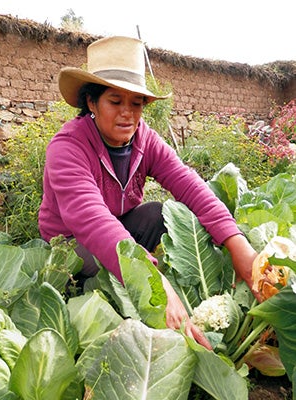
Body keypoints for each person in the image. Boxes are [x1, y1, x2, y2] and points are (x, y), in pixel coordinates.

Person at [38, 36, 258, 350]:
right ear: (91, 102)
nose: (127, 113)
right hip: (72, 241)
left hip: (119, 226)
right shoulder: (68, 147)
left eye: (136, 103)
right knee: (104, 271)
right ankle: (94, 293)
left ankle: (138, 279)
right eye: (115, 101)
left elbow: (190, 186)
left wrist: (238, 246)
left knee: (159, 212)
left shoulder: (145, 140)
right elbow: (93, 222)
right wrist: (157, 286)